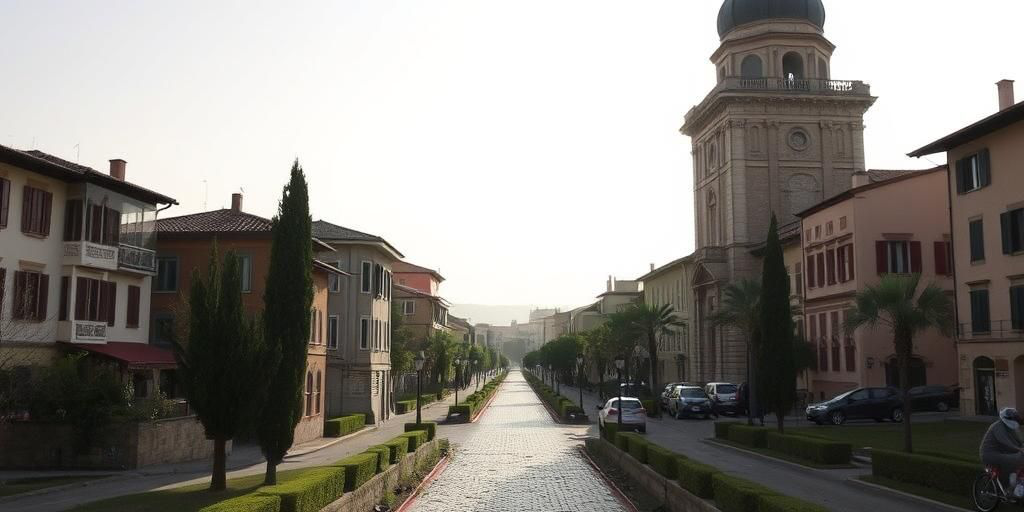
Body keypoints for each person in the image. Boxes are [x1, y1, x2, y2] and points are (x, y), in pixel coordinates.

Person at [980, 408, 1024, 485]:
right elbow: (1004, 441)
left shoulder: (1011, 427)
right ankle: (1008, 485)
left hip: (1002, 452)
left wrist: (1021, 445)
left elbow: (1019, 439)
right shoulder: (997, 426)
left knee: (1019, 459)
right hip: (990, 454)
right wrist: (1019, 449)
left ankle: (1016, 481)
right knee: (1015, 459)